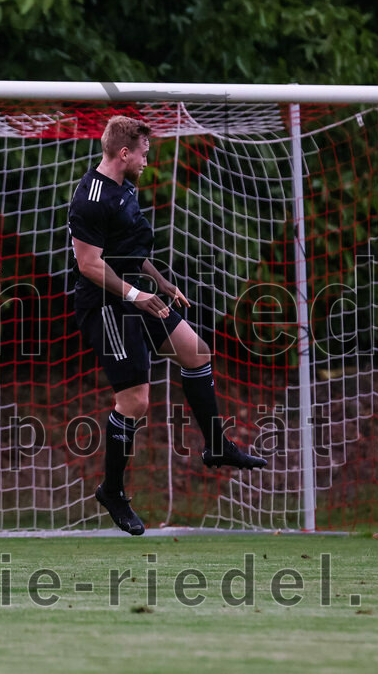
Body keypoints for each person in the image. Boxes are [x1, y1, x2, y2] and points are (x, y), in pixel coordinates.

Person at [69, 116, 267, 536]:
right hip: (105, 304)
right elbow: (88, 264)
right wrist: (136, 296)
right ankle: (112, 491)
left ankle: (216, 446)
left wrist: (160, 282)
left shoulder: (125, 187)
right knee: (135, 401)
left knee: (196, 352)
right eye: (143, 153)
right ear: (125, 153)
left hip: (136, 292)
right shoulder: (89, 197)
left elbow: (129, 249)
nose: (147, 160)